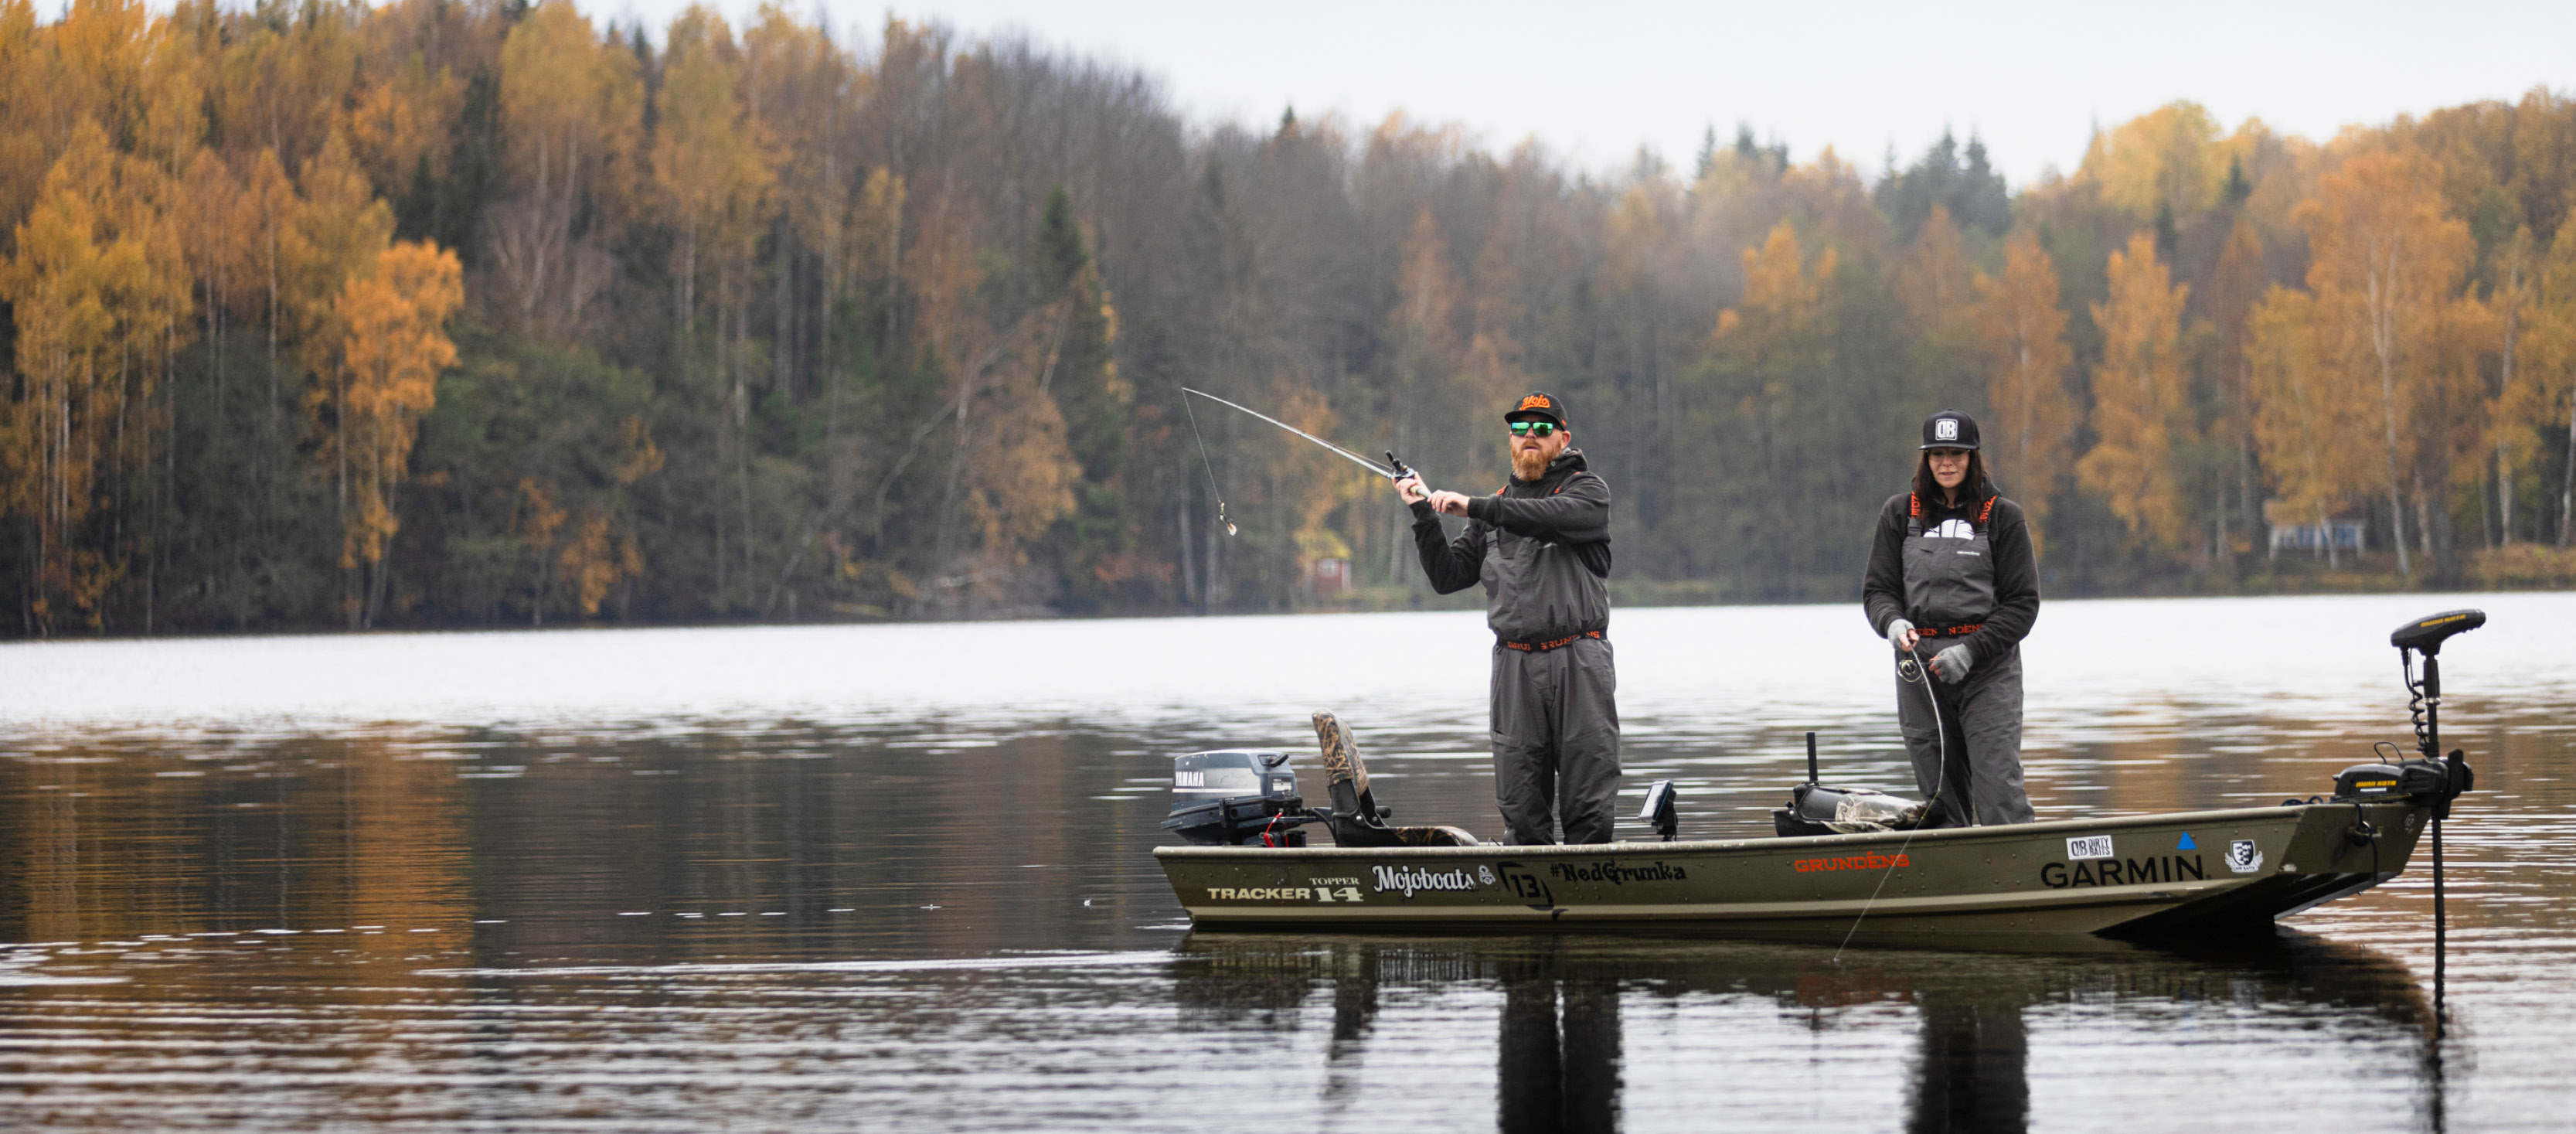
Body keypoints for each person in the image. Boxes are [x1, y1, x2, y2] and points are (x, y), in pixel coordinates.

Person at [1399, 391, 1619, 845]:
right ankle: (1533, 901)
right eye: (1520, 429)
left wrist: (1475, 506)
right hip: (1515, 666)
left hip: (1578, 659)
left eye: (1542, 428)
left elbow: (1548, 515)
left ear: (1563, 437)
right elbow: (1447, 576)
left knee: (1587, 801)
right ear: (1511, 441)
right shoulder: (1494, 509)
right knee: (1521, 804)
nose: (1530, 436)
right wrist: (1422, 511)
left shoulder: (1587, 491)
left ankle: (1594, 897)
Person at [1861, 409, 2040, 827]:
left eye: (1956, 454)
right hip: (1918, 671)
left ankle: (2022, 878)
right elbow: (1878, 592)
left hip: (1987, 671)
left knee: (1998, 789)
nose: (1946, 463)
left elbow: (2022, 605)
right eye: (1937, 454)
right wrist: (1892, 623)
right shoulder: (1898, 513)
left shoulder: (2004, 517)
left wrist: (1971, 651)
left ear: (1973, 458)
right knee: (1941, 800)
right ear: (1925, 459)